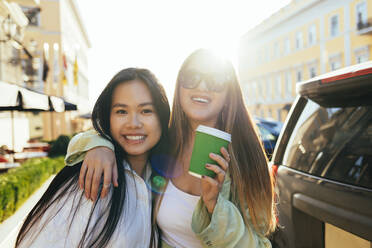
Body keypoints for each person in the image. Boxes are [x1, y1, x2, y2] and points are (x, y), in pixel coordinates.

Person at [65, 49, 277, 247]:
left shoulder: (247, 159)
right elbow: (122, 132)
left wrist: (215, 207)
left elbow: (260, 244)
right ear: (179, 87)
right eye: (192, 77)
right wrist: (100, 146)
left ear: (229, 95)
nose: (202, 86)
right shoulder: (165, 144)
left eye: (215, 79)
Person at [15, 68, 170, 248]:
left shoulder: (160, 178)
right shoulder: (92, 178)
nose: (133, 123)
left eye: (146, 111)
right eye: (121, 111)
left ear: (163, 116)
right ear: (108, 118)